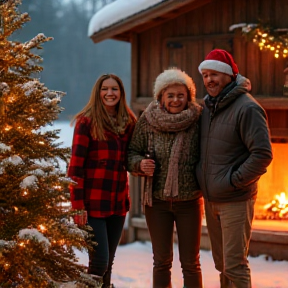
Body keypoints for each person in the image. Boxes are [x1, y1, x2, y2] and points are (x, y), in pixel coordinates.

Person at [196, 49, 273, 288]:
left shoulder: (247, 108)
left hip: (235, 199)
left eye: (215, 74)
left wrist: (233, 181)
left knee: (235, 266)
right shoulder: (208, 108)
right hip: (212, 199)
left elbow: (262, 154)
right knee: (222, 265)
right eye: (205, 74)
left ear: (229, 75)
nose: (209, 79)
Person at [128, 68, 204, 288]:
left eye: (181, 95)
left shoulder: (199, 119)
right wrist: (139, 164)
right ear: (160, 96)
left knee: (191, 263)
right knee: (161, 262)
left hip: (189, 202)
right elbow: (132, 152)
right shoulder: (148, 119)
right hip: (157, 202)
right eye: (170, 95)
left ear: (188, 96)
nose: (176, 100)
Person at [67, 74, 136, 288]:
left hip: (117, 203)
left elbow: (132, 157)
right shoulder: (86, 122)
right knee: (99, 261)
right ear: (98, 93)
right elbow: (75, 168)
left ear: (121, 93)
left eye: (114, 89)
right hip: (92, 204)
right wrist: (77, 206)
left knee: (109, 263)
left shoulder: (129, 123)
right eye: (104, 89)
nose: (109, 93)